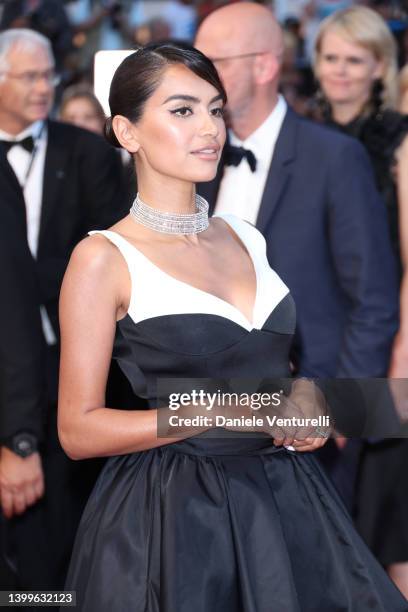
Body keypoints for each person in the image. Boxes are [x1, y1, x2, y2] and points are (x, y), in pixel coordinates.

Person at [58, 41, 407, 611]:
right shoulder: (102, 257)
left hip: (286, 498)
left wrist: (303, 395)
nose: (209, 128)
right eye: (182, 110)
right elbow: (77, 430)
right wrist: (210, 412)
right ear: (127, 132)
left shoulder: (245, 234)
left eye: (215, 109)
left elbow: (273, 366)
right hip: (174, 514)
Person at [194, 1, 399, 520]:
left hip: (309, 423)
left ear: (264, 66)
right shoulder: (193, 163)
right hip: (207, 425)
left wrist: (338, 411)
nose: (196, 76)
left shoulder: (333, 158)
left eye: (212, 61)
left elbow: (373, 300)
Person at [0, 28, 126, 591]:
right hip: (14, 372)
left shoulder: (90, 156)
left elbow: (113, 257)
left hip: (70, 370)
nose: (43, 87)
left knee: (54, 546)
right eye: (29, 75)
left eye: (48, 74)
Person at [313, 5, 408, 596]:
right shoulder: (297, 134)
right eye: (330, 58)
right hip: (319, 342)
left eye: (355, 60)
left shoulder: (397, 141)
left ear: (380, 67)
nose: (340, 72)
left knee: (385, 517)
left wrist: (401, 353)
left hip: (385, 343)